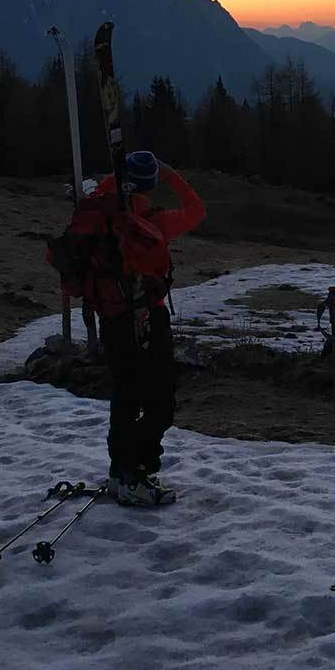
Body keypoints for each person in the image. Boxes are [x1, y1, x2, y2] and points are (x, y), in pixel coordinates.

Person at [91, 151, 205, 507]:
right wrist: (171, 175)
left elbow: (97, 196)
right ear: (151, 184)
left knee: (125, 394)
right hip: (148, 318)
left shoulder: (102, 215)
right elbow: (197, 211)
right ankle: (136, 472)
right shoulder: (156, 222)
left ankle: (119, 472)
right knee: (159, 401)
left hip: (112, 317)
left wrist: (115, 175)